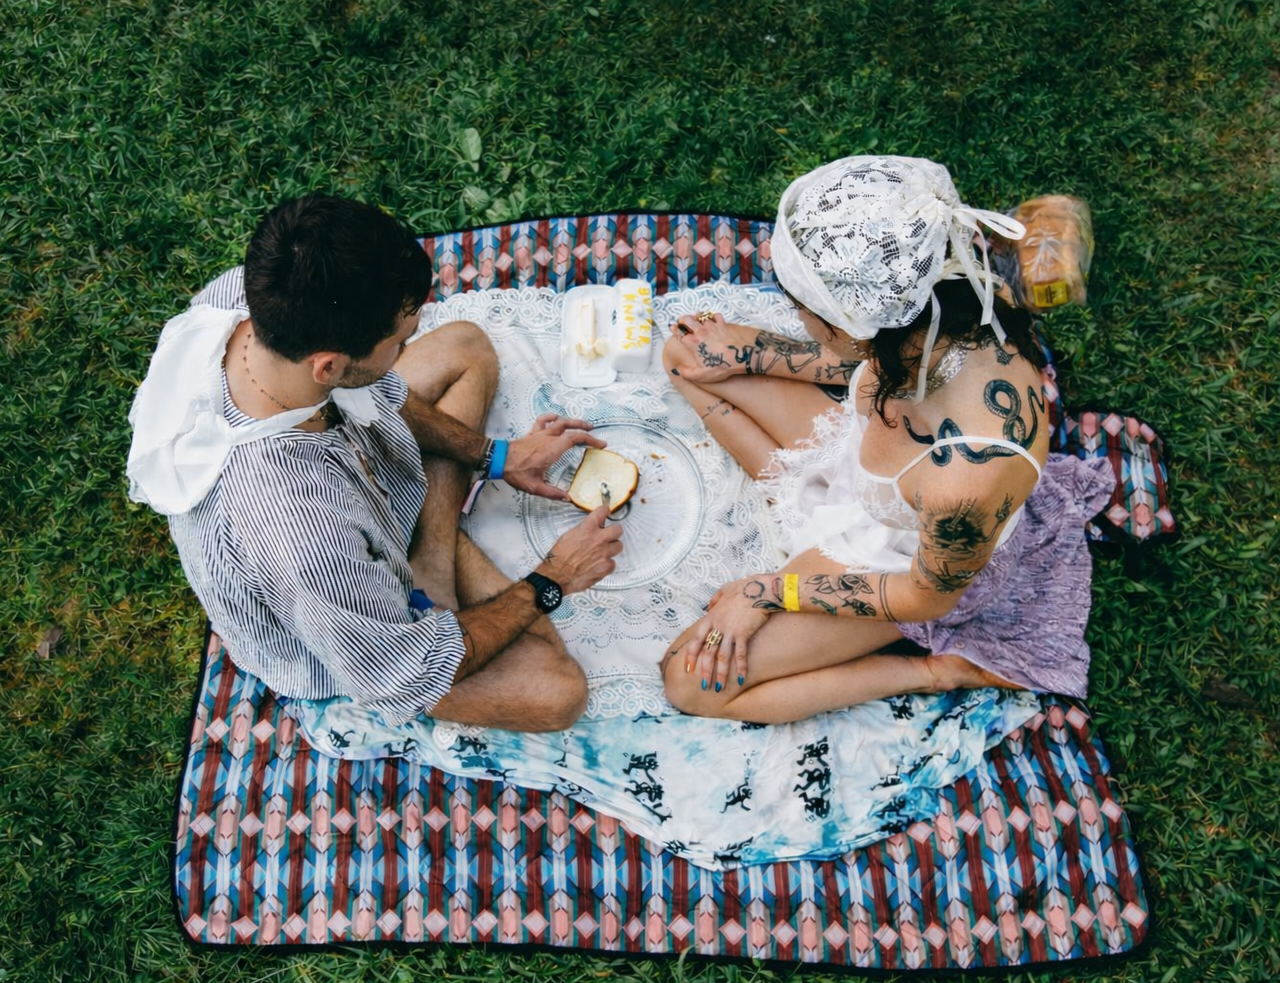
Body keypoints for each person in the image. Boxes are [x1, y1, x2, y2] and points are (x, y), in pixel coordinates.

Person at [127, 194, 623, 732]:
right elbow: (403, 671)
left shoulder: (252, 294)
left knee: (465, 345)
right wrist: (552, 579)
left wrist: (495, 455)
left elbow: (377, 388)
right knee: (557, 692)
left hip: (362, 494)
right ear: (329, 365)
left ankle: (431, 557)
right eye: (399, 341)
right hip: (346, 625)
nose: (407, 346)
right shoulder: (300, 535)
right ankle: (427, 563)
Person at [660, 155, 1112, 723]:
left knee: (690, 681)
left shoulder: (966, 483)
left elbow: (925, 596)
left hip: (894, 559)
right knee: (685, 355)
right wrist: (745, 355)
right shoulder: (941, 295)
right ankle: (784, 484)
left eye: (802, 309)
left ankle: (930, 670)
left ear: (852, 325)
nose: (795, 319)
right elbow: (861, 367)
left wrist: (768, 592)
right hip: (860, 467)